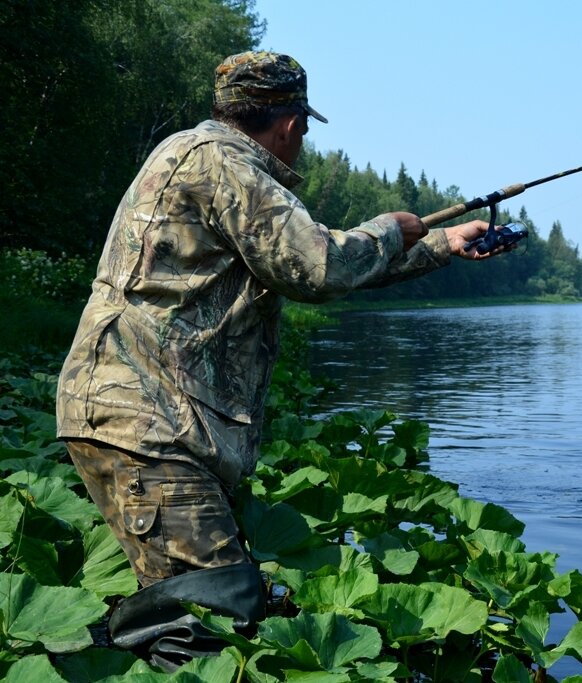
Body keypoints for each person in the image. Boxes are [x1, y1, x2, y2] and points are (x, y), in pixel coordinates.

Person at [55, 50, 500, 668]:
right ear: (289, 124)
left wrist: (444, 244)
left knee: (189, 605)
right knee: (210, 614)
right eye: (305, 130)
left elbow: (300, 265)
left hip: (143, 415)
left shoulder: (193, 154)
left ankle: (103, 653)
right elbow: (319, 264)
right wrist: (393, 228)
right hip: (147, 421)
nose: (303, 142)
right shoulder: (225, 166)